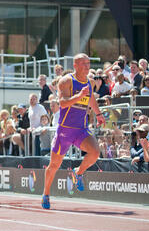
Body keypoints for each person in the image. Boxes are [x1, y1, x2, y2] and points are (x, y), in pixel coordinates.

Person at [41, 53, 105, 209]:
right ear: (75, 65)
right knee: (54, 165)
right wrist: (78, 96)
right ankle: (46, 193)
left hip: (80, 130)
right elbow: (62, 103)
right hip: (65, 131)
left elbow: (91, 99)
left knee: (95, 153)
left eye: (88, 63)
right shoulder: (66, 81)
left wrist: (98, 114)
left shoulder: (89, 82)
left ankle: (79, 172)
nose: (87, 66)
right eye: (83, 63)